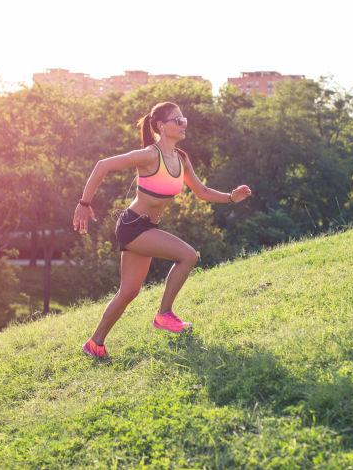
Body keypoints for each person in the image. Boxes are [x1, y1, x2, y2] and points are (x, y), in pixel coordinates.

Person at [72, 101, 252, 358]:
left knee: (129, 292)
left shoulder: (181, 159)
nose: (183, 124)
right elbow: (103, 165)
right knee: (188, 255)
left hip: (147, 227)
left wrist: (231, 197)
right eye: (177, 120)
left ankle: (95, 343)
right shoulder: (149, 155)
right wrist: (83, 204)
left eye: (184, 119)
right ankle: (164, 315)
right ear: (161, 126)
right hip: (133, 225)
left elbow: (201, 192)